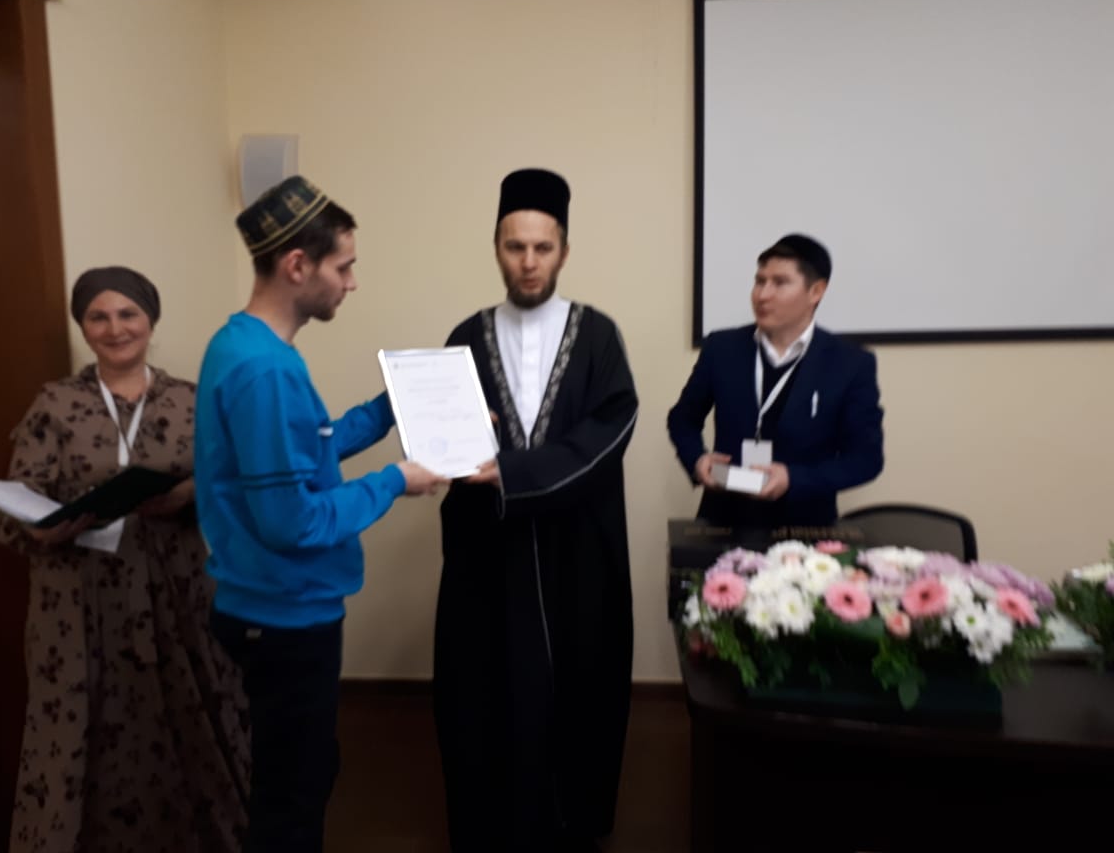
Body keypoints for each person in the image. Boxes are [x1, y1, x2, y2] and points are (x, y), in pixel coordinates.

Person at [194, 175, 446, 853]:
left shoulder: (240, 344)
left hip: (263, 607)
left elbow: (307, 452)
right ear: (297, 265)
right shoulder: (267, 371)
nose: (352, 283)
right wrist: (395, 480)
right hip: (283, 619)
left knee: (300, 774)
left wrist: (395, 405)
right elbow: (294, 522)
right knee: (291, 799)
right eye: (344, 266)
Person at [0, 266, 250, 853]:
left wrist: (187, 495)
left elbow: (234, 487)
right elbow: (16, 503)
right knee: (80, 729)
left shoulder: (191, 400)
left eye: (128, 314)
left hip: (178, 593)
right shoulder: (55, 403)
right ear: (83, 326)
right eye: (98, 317)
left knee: (191, 717)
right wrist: (44, 527)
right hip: (77, 604)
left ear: (151, 320)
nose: (115, 329)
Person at [433, 168, 639, 852]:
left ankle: (571, 822)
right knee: (485, 686)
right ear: (496, 248)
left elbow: (613, 424)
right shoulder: (465, 334)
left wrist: (516, 473)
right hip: (488, 552)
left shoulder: (598, 334)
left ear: (564, 251)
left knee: (580, 683)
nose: (528, 262)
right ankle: (492, 824)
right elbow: (443, 428)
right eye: (514, 246)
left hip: (577, 549)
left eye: (542, 248)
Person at [667, 233, 884, 530]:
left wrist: (794, 478)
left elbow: (866, 459)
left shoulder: (850, 363)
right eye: (760, 281)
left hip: (806, 529)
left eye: (780, 283)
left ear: (816, 291)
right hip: (723, 522)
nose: (763, 294)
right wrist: (697, 460)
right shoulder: (722, 348)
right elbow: (682, 419)